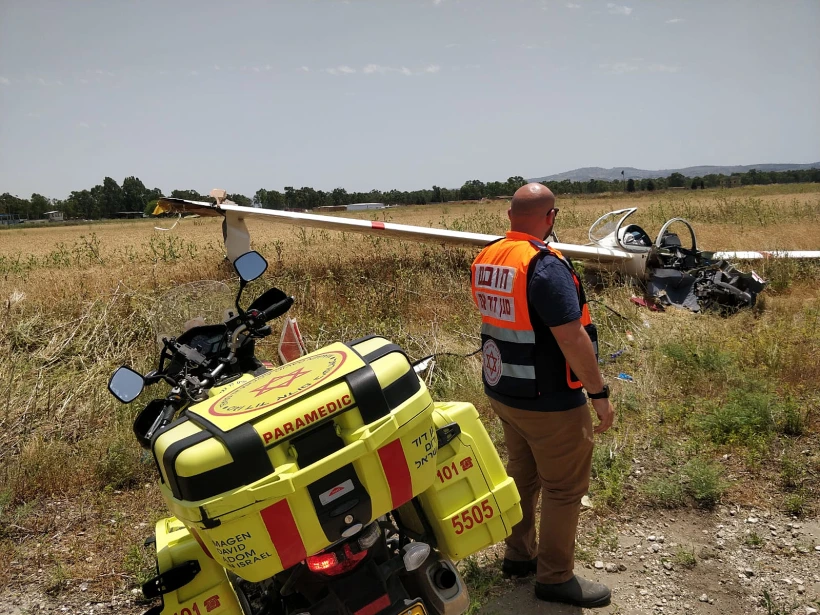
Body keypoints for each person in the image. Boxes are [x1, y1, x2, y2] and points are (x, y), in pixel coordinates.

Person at [470, 183, 615, 608]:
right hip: (548, 399)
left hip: (504, 389)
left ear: (510, 216)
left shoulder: (488, 257)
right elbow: (572, 338)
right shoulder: (545, 265)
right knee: (564, 489)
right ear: (550, 217)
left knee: (523, 474)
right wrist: (599, 394)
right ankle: (554, 579)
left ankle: (518, 557)